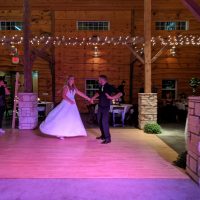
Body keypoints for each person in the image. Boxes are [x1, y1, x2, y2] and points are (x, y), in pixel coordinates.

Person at [91, 75, 122, 144]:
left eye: (99, 80)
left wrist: (111, 98)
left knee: (104, 122)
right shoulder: (101, 87)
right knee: (99, 121)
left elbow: (120, 93)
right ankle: (103, 136)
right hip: (100, 107)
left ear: (102, 80)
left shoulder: (109, 87)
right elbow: (98, 93)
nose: (98, 81)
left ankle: (108, 139)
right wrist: (92, 98)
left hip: (105, 107)